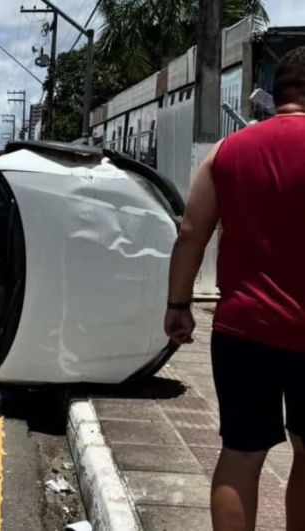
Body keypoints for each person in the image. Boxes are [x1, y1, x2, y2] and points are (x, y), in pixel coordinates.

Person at [165, 46, 305, 531]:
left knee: (241, 454)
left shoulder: (229, 150)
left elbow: (190, 232)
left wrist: (178, 304)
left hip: (244, 330)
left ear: (277, 92)